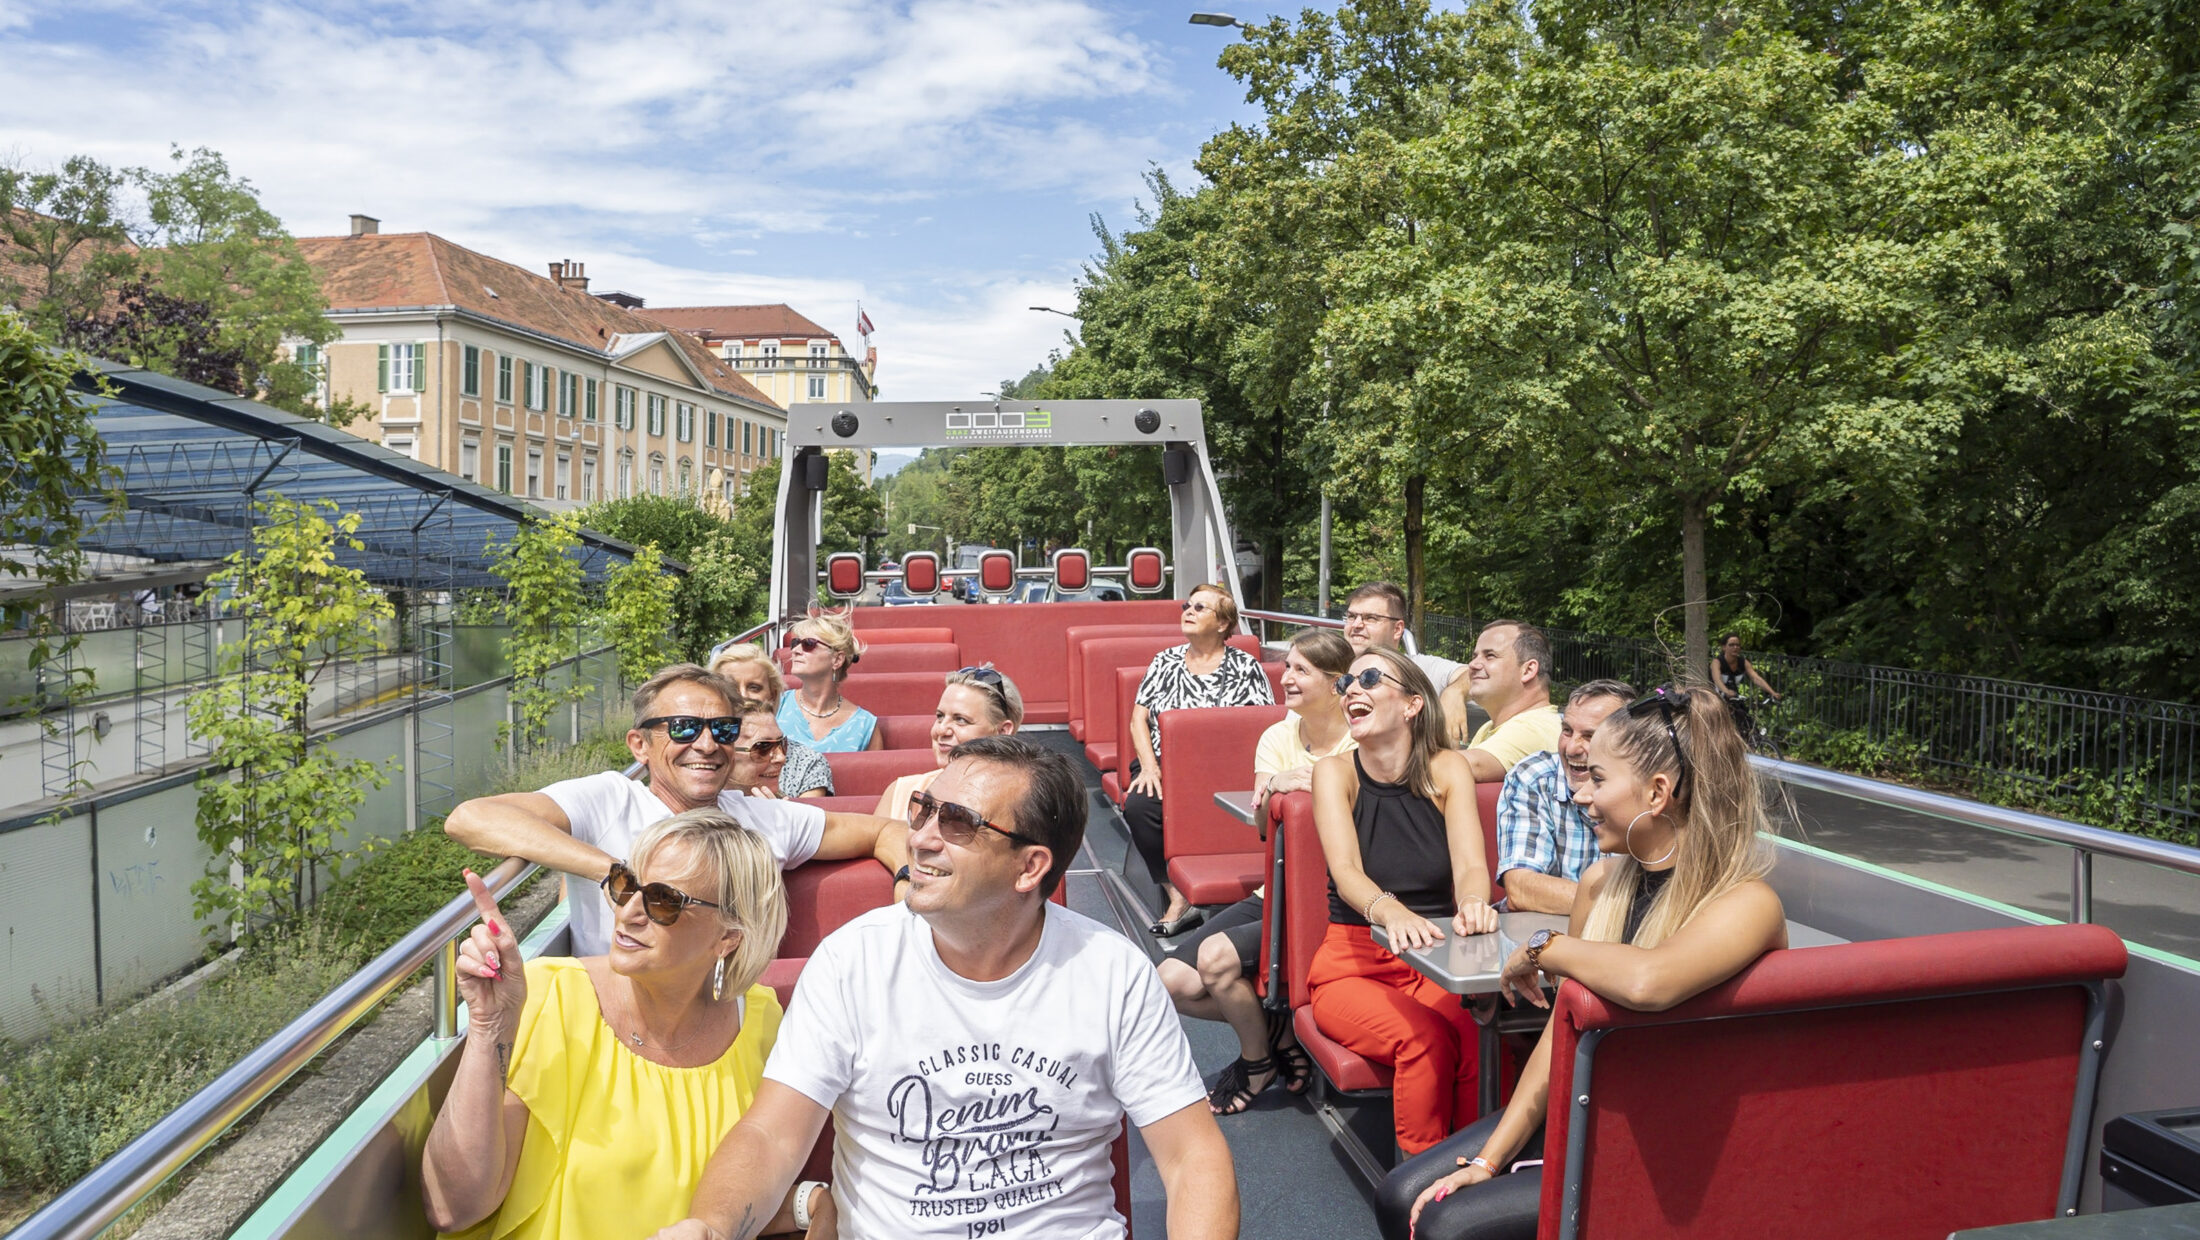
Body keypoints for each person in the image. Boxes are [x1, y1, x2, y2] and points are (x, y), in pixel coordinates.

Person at [646, 736, 1241, 1240]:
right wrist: (711, 1226)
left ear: (1030, 867)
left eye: (956, 822)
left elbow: (1192, 1158)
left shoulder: (1113, 974)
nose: (922, 838)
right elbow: (772, 1135)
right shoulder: (854, 960)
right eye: (923, 809)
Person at [1384, 685, 1787, 1240]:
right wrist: (1489, 1160)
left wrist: (1543, 947)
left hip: (1676, 1149)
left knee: (1448, 1226)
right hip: (1589, 1115)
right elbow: (1561, 1038)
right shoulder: (1601, 886)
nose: (1580, 797)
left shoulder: (1745, 903)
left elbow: (1648, 982)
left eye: (1598, 780)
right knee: (1398, 1194)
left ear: (1657, 792)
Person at [421, 810, 815, 1239]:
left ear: (728, 938)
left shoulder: (760, 1023)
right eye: (627, 885)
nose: (628, 912)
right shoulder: (548, 997)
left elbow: (730, 1192)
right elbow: (452, 1208)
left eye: (664, 900)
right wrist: (488, 1026)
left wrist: (805, 1202)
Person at [443, 664, 913, 956]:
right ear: (640, 745)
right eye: (684, 728)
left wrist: (907, 897)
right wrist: (613, 872)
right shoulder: (610, 799)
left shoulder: (763, 817)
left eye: (724, 730)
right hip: (619, 1019)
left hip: (733, 1014)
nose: (706, 745)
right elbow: (470, 819)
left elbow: (884, 832)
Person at [1309, 647, 1501, 1157]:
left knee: (1479, 1038)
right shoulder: (1335, 773)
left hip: (1433, 956)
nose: (1353, 687)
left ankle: (1475, 1170)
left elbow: (1469, 865)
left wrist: (1476, 901)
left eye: (1370, 677)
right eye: (1348, 679)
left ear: (1413, 703)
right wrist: (1391, 911)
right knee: (1423, 1041)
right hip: (1354, 964)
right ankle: (1422, 1187)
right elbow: (1346, 871)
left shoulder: (1447, 769)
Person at [1160, 627, 1355, 1115]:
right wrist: (1277, 791)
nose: (1285, 678)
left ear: (1336, 683)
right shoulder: (1277, 735)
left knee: (1217, 961)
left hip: (1335, 899)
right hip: (1278, 890)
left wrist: (1325, 784)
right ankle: (1277, 1028)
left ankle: (1256, 1060)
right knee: (1170, 982)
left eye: (1300, 670)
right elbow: (1265, 833)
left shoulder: (1361, 737)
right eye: (1285, 666)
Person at [1125, 583, 1276, 937]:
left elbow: (1265, 725)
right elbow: (1138, 719)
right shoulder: (1164, 661)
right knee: (1138, 805)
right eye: (1187, 606)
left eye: (1200, 608)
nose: (1188, 612)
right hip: (1164, 762)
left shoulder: (1246, 667)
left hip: (1224, 768)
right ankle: (1176, 896)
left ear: (1224, 623)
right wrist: (1149, 766)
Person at [1492, 679, 1635, 915]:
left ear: (1629, 743)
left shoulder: (1645, 788)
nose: (1570, 748)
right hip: (1534, 936)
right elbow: (1521, 889)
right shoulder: (1535, 778)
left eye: (1589, 736)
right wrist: (1631, 907)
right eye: (1567, 731)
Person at [873, 665, 1024, 819]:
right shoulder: (901, 793)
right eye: (940, 716)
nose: (941, 730)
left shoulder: (1024, 802)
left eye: (960, 720)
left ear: (1002, 732)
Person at [711, 644, 833, 798]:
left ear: (773, 695)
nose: (742, 696)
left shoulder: (807, 763)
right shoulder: (704, 755)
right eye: (730, 687)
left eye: (754, 687)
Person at [1453, 621, 1560, 778]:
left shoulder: (1534, 728)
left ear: (1528, 670)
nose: (1473, 664)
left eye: (1490, 656)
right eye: (1475, 656)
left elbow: (1458, 767)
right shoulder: (1489, 727)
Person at [1341, 582, 1467, 701]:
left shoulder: (1419, 669)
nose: (1356, 625)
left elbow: (1471, 674)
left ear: (1397, 629)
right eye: (1351, 616)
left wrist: (1455, 693)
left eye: (1371, 618)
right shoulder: (1329, 671)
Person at [777, 612, 883, 752]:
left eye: (808, 644)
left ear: (837, 660)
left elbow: (873, 773)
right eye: (795, 643)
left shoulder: (865, 725)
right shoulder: (776, 706)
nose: (795, 651)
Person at [1715, 633, 1781, 702]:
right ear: (1724, 647)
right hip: (1713, 699)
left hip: (1732, 698)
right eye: (1731, 645)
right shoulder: (1717, 662)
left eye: (1738, 645)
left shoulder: (1743, 662)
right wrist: (1727, 691)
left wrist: (1772, 693)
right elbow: (1717, 680)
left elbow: (1756, 678)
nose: (1735, 647)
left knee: (1741, 711)